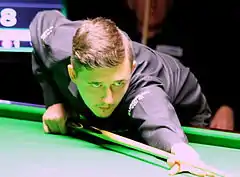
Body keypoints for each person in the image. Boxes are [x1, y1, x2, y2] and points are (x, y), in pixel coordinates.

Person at [30, 10, 214, 176]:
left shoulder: (143, 84)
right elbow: (41, 21)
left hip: (183, 109)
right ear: (73, 73)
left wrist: (179, 148)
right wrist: (54, 101)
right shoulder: (56, 45)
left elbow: (157, 117)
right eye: (95, 84)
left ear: (131, 69)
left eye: (118, 83)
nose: (108, 98)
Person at [124, 0, 235, 131]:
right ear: (131, 3)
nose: (153, 3)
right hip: (129, 125)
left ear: (170, 3)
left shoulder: (192, 39)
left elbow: (218, 77)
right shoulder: (123, 42)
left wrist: (226, 106)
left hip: (186, 126)